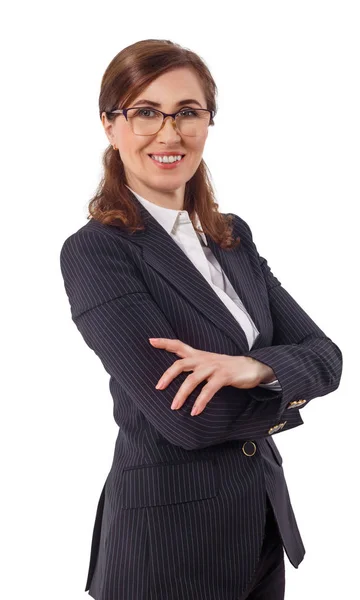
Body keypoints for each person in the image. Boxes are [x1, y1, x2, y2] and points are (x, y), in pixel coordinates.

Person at [60, 39, 343, 600]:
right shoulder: (98, 252)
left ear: (208, 123)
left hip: (260, 528)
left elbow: (327, 356)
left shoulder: (231, 237)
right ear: (109, 125)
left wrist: (255, 369)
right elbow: (187, 421)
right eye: (145, 112)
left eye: (188, 112)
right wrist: (290, 389)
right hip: (167, 550)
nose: (170, 134)